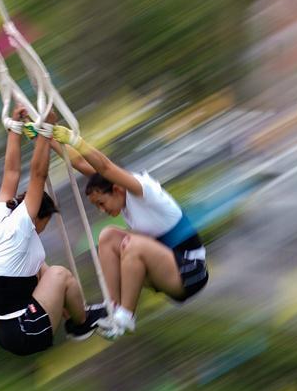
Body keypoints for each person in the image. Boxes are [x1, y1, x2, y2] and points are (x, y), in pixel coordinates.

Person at [50, 124, 209, 339]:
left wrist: (75, 140)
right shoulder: (118, 194)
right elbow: (78, 162)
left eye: (102, 203)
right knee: (108, 236)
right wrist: (46, 136)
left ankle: (125, 317)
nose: (102, 210)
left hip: (190, 272)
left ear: (116, 189)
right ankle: (112, 306)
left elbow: (105, 167)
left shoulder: (142, 189)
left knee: (132, 245)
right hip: (165, 264)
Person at [0, 108, 108, 355]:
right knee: (59, 274)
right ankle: (82, 323)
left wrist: (14, 131)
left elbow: (11, 173)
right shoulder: (21, 225)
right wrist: (46, 130)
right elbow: (38, 174)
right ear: (36, 218)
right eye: (45, 223)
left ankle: (77, 312)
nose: (42, 230)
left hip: (7, 330)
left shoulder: (0, 215)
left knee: (43, 268)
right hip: (24, 331)